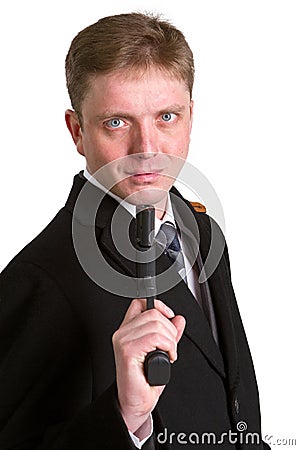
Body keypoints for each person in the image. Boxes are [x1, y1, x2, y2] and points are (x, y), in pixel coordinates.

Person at [0, 12, 270, 450]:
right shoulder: (40, 278)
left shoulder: (198, 227)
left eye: (166, 116)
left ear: (190, 117)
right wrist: (125, 416)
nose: (147, 149)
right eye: (117, 122)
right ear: (77, 132)